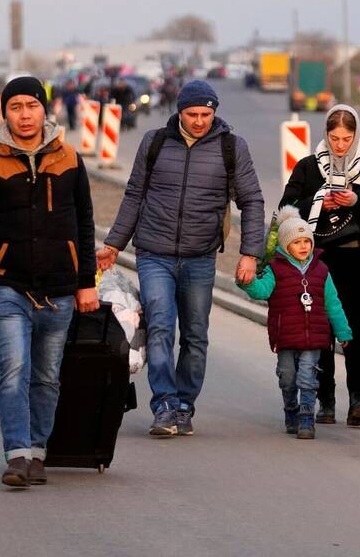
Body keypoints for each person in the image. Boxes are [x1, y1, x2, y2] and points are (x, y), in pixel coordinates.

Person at [0, 76, 100, 488]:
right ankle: (16, 454)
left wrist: (87, 281)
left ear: (44, 109)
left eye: (31, 106)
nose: (25, 115)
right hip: (7, 286)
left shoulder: (69, 159)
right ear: (5, 112)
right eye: (16, 107)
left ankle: (37, 451)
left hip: (60, 291)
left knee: (47, 376)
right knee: (13, 366)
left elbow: (85, 224)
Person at [97, 80, 265, 437]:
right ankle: (165, 405)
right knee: (159, 325)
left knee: (195, 334)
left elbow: (252, 201)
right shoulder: (155, 142)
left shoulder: (231, 148)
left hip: (199, 257)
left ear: (215, 112)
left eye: (206, 114)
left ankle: (185, 405)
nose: (200, 121)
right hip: (153, 252)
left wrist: (251, 253)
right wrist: (113, 244)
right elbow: (134, 195)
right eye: (192, 114)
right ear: (179, 111)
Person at [279, 104, 360, 427]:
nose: (340, 145)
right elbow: (286, 210)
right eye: (334, 138)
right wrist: (319, 200)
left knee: (355, 329)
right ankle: (325, 399)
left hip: (357, 257)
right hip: (318, 259)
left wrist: (356, 201)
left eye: (346, 138)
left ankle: (359, 397)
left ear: (356, 135)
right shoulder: (309, 167)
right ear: (326, 135)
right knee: (321, 330)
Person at [237, 206, 353, 439]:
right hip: (286, 336)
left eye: (307, 241)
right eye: (297, 242)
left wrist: (343, 332)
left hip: (314, 337)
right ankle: (291, 410)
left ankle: (306, 419)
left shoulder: (321, 270)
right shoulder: (275, 269)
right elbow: (262, 291)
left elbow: (333, 304)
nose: (303, 246)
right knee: (287, 376)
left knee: (307, 377)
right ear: (284, 245)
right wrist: (246, 282)